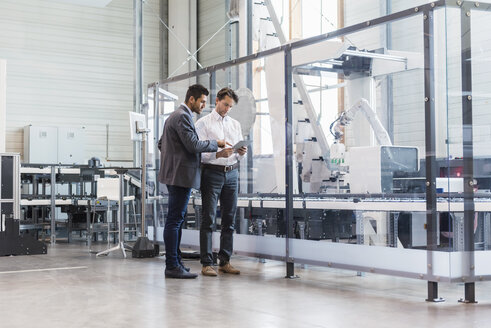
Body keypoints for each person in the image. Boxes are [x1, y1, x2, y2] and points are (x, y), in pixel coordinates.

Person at [158, 84, 227, 279]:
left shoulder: (175, 115)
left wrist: (174, 158)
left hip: (176, 175)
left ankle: (176, 262)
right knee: (174, 221)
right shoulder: (183, 116)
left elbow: (161, 143)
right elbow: (193, 145)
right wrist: (217, 143)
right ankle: (172, 265)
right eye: (202, 101)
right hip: (180, 177)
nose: (204, 105)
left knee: (177, 221)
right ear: (192, 100)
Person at [195, 87, 247, 276]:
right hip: (212, 173)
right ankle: (207, 263)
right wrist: (218, 153)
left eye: (230, 106)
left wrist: (241, 153)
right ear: (217, 100)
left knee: (229, 220)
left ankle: (225, 261)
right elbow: (198, 152)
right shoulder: (203, 123)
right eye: (225, 104)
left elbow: (238, 149)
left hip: (232, 173)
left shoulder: (235, 124)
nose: (227, 109)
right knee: (208, 219)